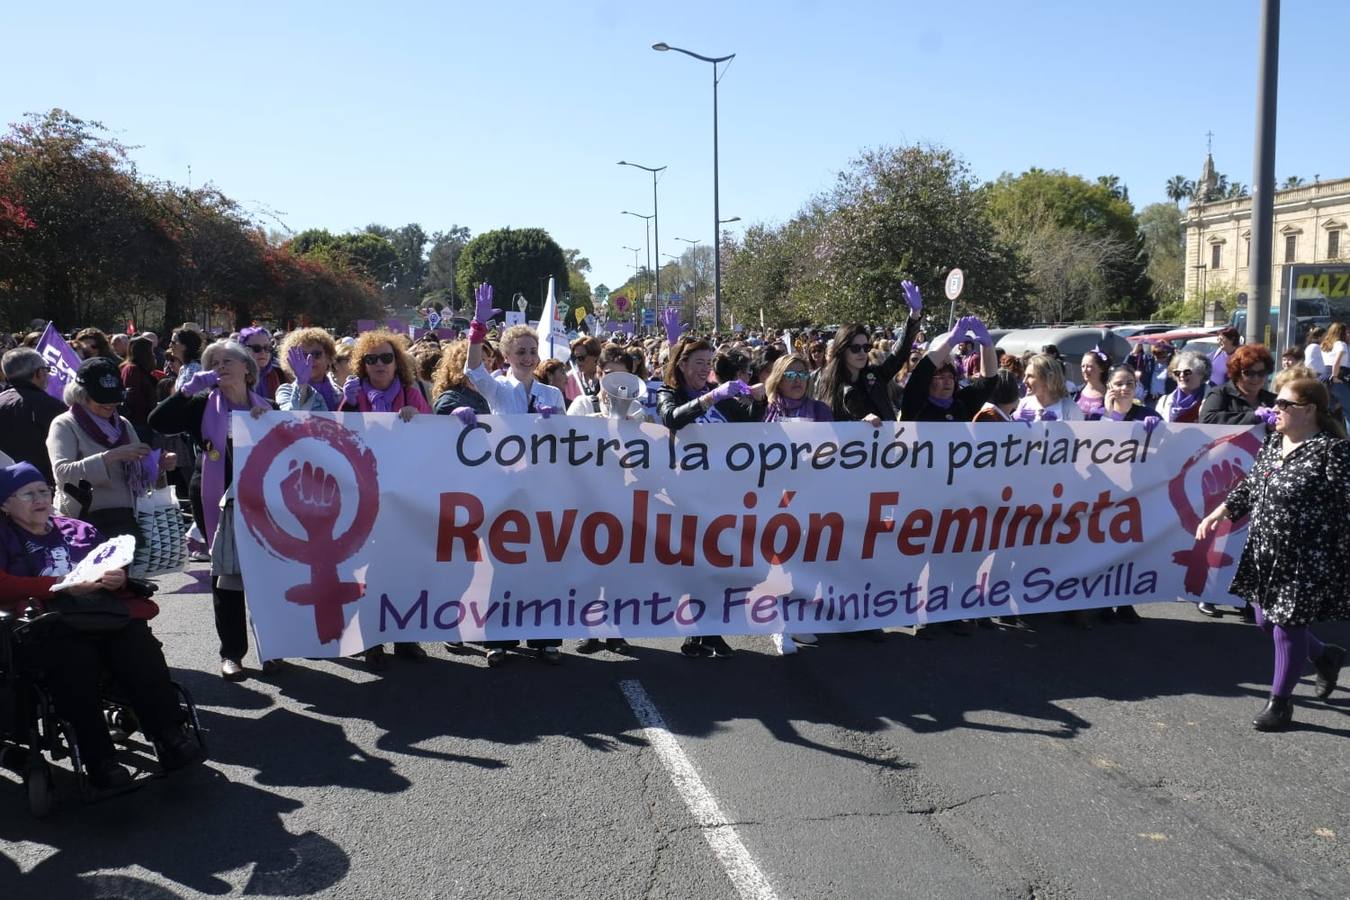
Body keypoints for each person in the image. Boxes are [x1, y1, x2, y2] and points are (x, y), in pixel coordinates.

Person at [0, 461, 203, 787]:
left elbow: (115, 570)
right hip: (45, 623)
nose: (39, 498)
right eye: (27, 494)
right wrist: (59, 584)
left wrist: (117, 579)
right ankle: (100, 758)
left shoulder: (78, 529)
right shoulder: (4, 537)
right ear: (5, 504)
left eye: (43, 490)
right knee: (74, 661)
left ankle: (168, 735)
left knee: (138, 645)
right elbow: (3, 585)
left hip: (100, 613)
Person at [1195, 377, 1348, 731]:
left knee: (1288, 626)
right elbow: (1251, 484)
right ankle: (1324, 655)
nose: (1275, 409)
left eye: (1284, 404)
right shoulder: (1274, 442)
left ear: (1308, 410)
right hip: (1265, 549)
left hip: (1307, 555)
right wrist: (1220, 512)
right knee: (1266, 621)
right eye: (1276, 403)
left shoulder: (1331, 451)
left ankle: (1280, 702)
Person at [149, 340, 272, 681]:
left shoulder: (267, 406)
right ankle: (232, 653)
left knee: (266, 574)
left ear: (248, 368)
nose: (220, 365)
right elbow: (158, 421)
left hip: (262, 498)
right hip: (214, 497)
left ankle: (272, 645)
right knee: (226, 575)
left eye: (228, 359)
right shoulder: (202, 404)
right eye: (213, 361)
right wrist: (187, 390)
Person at [463, 285, 564, 666]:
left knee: (542, 563)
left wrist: (556, 426)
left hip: (542, 488)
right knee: (503, 564)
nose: (527, 357)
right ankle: (500, 639)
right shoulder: (498, 388)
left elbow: (569, 441)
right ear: (506, 356)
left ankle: (544, 637)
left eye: (532, 351)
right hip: (503, 487)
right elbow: (472, 370)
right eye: (519, 351)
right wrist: (478, 327)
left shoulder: (552, 393)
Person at [657, 335, 759, 658]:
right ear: (682, 364)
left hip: (718, 494)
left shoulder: (718, 395)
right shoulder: (668, 393)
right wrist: (710, 398)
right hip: (682, 494)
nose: (704, 369)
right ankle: (695, 632)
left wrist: (759, 398)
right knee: (692, 565)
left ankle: (710, 631)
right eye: (698, 363)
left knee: (717, 563)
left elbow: (751, 425)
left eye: (708, 363)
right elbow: (672, 418)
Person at [338, 330, 429, 669]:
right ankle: (371, 639)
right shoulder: (354, 395)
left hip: (403, 495)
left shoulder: (410, 393)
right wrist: (347, 403)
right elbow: (338, 436)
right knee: (367, 572)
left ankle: (406, 638)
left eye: (386, 357)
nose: (379, 364)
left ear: (397, 362)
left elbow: (433, 436)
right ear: (362, 364)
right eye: (371, 359)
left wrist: (417, 420)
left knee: (405, 568)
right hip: (364, 494)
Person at [48, 358, 159, 543]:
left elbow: (141, 473)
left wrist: (158, 464)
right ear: (80, 395)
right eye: (101, 401)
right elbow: (62, 473)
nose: (110, 406)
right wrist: (110, 456)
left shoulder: (122, 424)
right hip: (84, 522)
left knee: (125, 573)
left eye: (115, 400)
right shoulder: (64, 424)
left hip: (125, 519)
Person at [816, 282, 923, 425]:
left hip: (886, 444)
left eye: (865, 347)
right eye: (855, 348)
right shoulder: (828, 383)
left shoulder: (874, 376)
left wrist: (914, 316)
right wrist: (860, 423)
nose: (862, 352)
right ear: (841, 350)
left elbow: (898, 356)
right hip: (853, 446)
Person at [902, 316, 999, 424]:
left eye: (950, 377)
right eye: (941, 377)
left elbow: (988, 381)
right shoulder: (915, 404)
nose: (947, 381)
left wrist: (987, 346)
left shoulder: (962, 403)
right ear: (928, 381)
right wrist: (950, 342)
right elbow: (922, 373)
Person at [0, 348, 66, 484]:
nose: (47, 375)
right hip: (42, 486)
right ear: (39, 373)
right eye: (46, 370)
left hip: (6, 487)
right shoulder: (51, 406)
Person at [1199, 344, 1276, 426]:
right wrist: (1253, 416)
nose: (1256, 378)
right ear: (1237, 373)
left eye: (1261, 373)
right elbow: (1206, 419)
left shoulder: (1273, 399)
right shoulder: (1220, 394)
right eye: (1249, 373)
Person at [275, 328, 340, 412]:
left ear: (328, 357)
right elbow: (291, 415)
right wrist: (301, 385)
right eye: (303, 356)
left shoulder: (339, 393)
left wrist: (350, 403)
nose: (310, 360)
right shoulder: (286, 392)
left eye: (316, 354)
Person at [1012, 354, 1085, 422]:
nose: (1024, 381)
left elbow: (1081, 435)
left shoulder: (1069, 408)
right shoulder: (1024, 404)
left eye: (1030, 376)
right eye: (1025, 375)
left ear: (1047, 378)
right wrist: (1013, 419)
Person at [431, 340, 490, 418]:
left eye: (488, 361)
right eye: (481, 361)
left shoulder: (484, 394)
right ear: (462, 365)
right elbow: (442, 409)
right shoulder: (451, 397)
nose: (488, 367)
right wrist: (454, 412)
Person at [119, 336, 161, 442]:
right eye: (151, 351)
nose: (153, 354)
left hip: (141, 421)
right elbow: (133, 397)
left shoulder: (133, 368)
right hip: (139, 423)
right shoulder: (132, 369)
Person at [1155, 351, 1210, 423]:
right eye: (1177, 373)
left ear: (1201, 374)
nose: (1181, 375)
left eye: (1187, 372)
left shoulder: (1213, 399)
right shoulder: (1164, 401)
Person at [239, 327, 290, 402]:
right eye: (256, 348)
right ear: (242, 349)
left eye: (267, 348)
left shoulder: (281, 374)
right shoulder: (234, 376)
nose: (263, 353)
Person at [1073, 348, 1110, 419]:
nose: (1084, 370)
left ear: (1102, 368)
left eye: (1089, 366)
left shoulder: (1109, 394)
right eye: (1082, 366)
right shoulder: (1075, 392)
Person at [564, 336, 603, 403]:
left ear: (595, 357)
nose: (577, 362)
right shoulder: (569, 379)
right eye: (575, 358)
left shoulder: (605, 377)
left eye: (581, 358)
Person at [169, 329, 204, 394]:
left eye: (173, 342)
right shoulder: (183, 368)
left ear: (184, 346)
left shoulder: (194, 369)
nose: (170, 345)